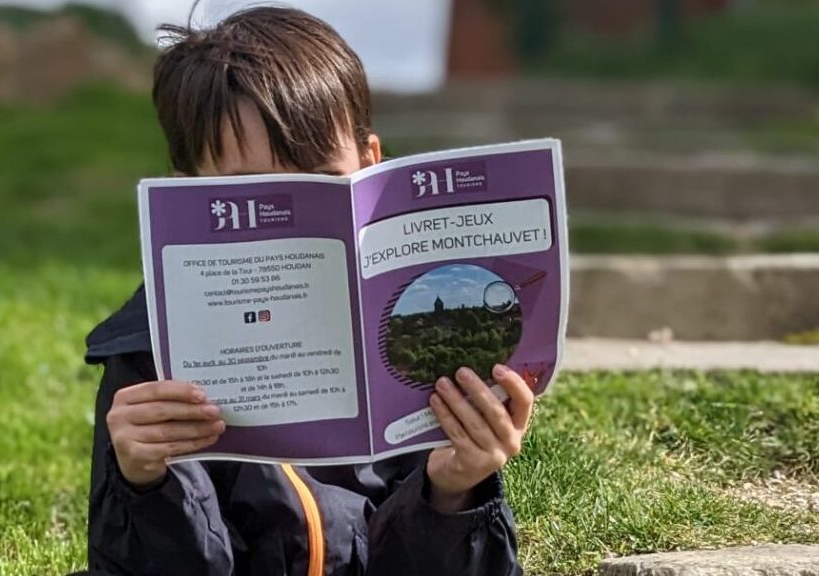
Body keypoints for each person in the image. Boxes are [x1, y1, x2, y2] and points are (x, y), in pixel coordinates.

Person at [83, 7, 535, 575]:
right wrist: (144, 484)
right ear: (187, 196)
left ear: (371, 164)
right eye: (249, 192)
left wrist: (452, 492)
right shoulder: (147, 357)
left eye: (319, 179)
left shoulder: (417, 329)